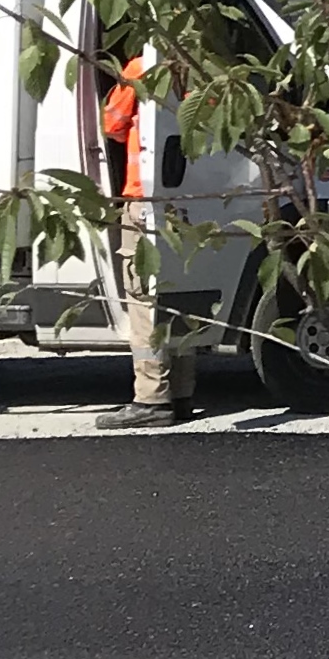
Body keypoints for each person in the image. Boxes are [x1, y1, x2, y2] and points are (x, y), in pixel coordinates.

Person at [96, 46, 199, 427]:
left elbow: (114, 124)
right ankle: (183, 391)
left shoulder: (141, 67)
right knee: (181, 294)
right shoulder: (210, 69)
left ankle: (152, 399)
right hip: (193, 198)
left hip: (145, 198)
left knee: (144, 300)